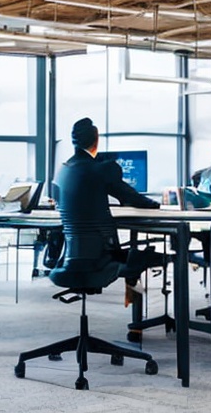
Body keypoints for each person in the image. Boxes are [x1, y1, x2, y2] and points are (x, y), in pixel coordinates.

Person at [54, 117, 161, 303]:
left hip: (70, 259)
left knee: (134, 256)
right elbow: (131, 197)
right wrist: (156, 204)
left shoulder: (62, 171)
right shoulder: (103, 168)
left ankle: (136, 322)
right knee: (147, 256)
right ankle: (137, 315)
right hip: (101, 258)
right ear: (96, 139)